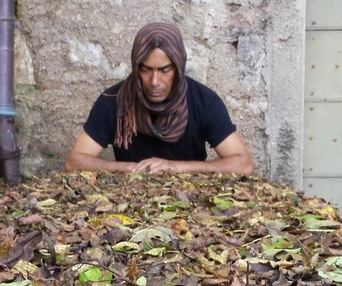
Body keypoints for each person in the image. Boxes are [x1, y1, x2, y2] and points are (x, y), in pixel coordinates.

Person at [65, 23, 255, 175]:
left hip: (191, 201)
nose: (155, 81)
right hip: (129, 198)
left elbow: (243, 165)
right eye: (146, 69)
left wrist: (176, 168)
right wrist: (134, 169)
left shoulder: (204, 101)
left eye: (165, 70)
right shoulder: (113, 101)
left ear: (178, 66)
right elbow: (74, 162)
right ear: (135, 66)